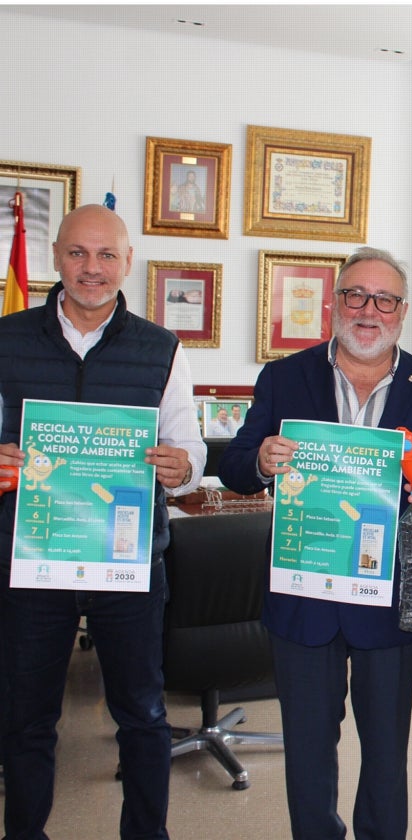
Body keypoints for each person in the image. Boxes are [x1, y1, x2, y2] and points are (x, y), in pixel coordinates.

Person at [218, 246, 412, 840]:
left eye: (384, 299)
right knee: (308, 752)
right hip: (303, 595)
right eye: (356, 295)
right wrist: (259, 458)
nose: (368, 310)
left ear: (402, 312)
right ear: (335, 302)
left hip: (389, 602)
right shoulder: (285, 377)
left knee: (387, 751)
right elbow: (233, 466)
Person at [0, 204, 205, 839]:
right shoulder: (5, 338)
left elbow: (191, 450)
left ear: (127, 264)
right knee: (27, 718)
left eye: (107, 255)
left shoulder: (162, 348)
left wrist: (181, 467)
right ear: (56, 257)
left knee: (142, 715)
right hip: (34, 557)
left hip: (130, 560)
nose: (93, 269)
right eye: (79, 254)